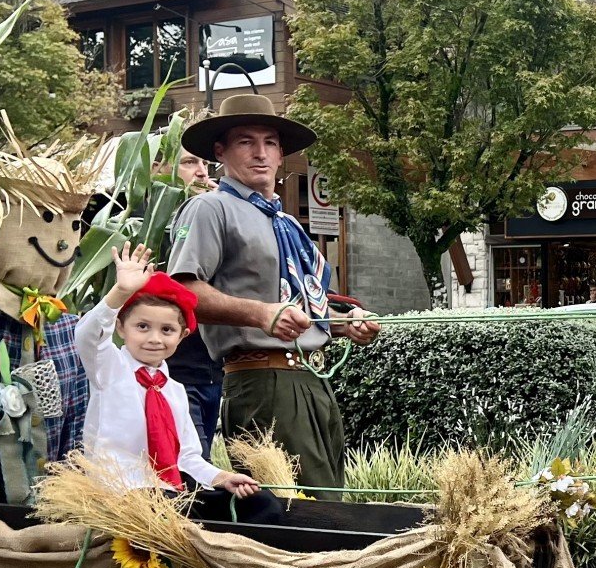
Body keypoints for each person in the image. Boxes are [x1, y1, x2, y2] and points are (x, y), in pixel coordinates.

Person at [166, 92, 379, 492]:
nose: (260, 153)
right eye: (246, 141)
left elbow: (302, 308)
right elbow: (182, 291)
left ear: (282, 155)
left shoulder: (288, 223)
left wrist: (342, 324)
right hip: (261, 379)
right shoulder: (211, 208)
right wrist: (261, 314)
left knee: (330, 500)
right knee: (299, 513)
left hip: (313, 381)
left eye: (270, 143)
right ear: (220, 151)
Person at [75, 243, 265, 512]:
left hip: (168, 493)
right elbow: (87, 335)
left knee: (258, 504)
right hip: (120, 495)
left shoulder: (174, 391)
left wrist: (222, 478)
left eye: (166, 329)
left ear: (182, 335)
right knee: (172, 508)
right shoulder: (108, 367)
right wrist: (121, 292)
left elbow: (187, 456)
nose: (154, 338)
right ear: (120, 327)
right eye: (142, 327)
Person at [159, 149, 223, 453]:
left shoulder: (212, 214)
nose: (202, 172)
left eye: (206, 164)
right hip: (173, 375)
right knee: (193, 473)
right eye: (189, 162)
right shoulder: (142, 224)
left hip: (214, 370)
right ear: (157, 167)